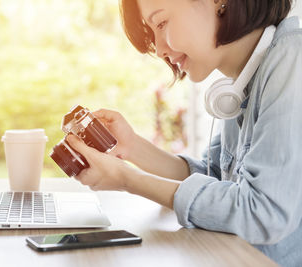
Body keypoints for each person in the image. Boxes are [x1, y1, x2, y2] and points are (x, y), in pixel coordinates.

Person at [67, 0, 302, 266]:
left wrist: (127, 179)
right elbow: (214, 179)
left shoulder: (292, 61)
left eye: (162, 23)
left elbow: (264, 214)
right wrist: (131, 147)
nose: (160, 49)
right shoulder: (241, 83)